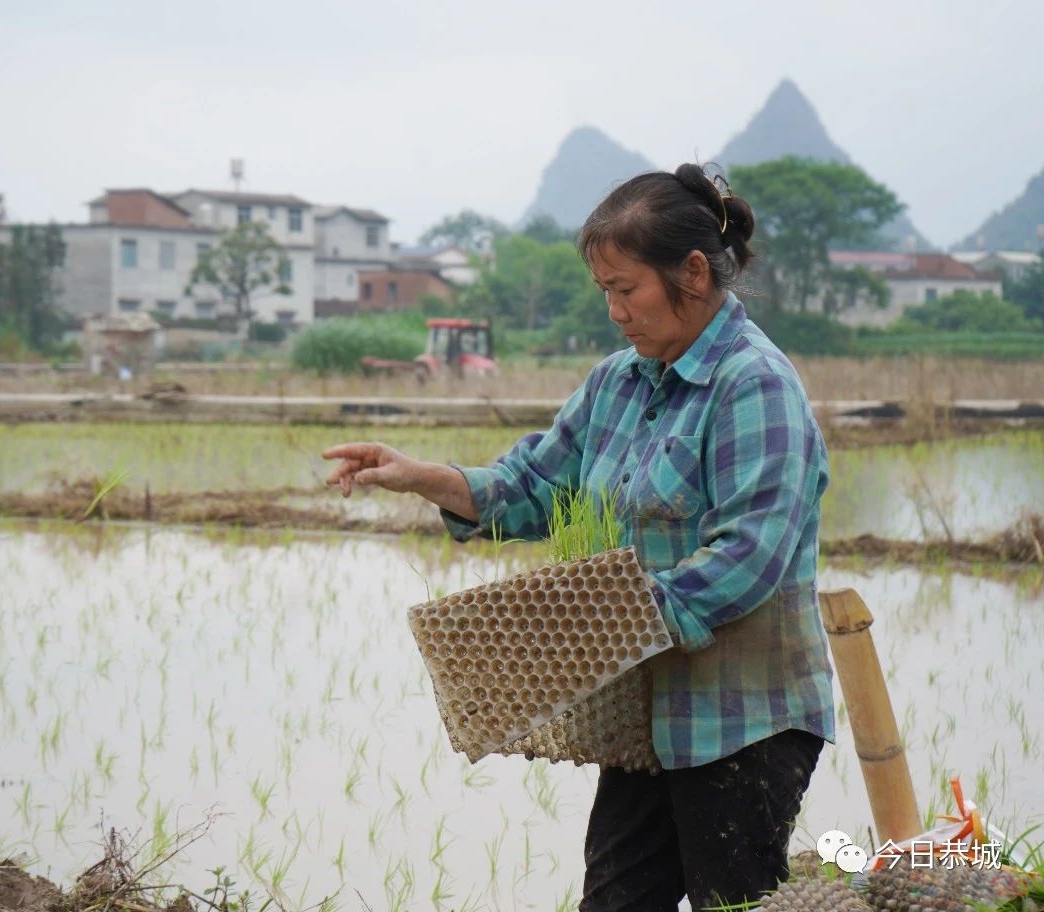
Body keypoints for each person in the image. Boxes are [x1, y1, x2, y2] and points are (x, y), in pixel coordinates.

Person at [323, 163, 835, 912]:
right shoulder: (617, 383)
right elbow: (535, 486)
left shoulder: (753, 384)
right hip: (644, 719)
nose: (616, 311)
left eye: (627, 289)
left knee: (735, 900)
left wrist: (600, 621)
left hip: (742, 721)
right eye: (606, 293)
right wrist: (421, 475)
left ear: (692, 273)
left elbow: (748, 555)